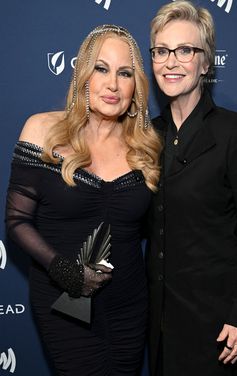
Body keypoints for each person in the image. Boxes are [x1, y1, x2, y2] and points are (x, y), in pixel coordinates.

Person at [5, 24, 161, 374]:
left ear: (136, 85)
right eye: (101, 69)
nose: (113, 84)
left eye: (125, 73)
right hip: (64, 303)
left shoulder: (146, 147)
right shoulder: (43, 130)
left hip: (130, 305)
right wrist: (65, 270)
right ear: (83, 74)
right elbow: (16, 221)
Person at [145, 1, 237, 375]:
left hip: (220, 328)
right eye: (161, 51)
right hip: (162, 327)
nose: (171, 61)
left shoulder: (235, 132)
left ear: (206, 62)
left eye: (185, 50)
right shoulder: (148, 135)